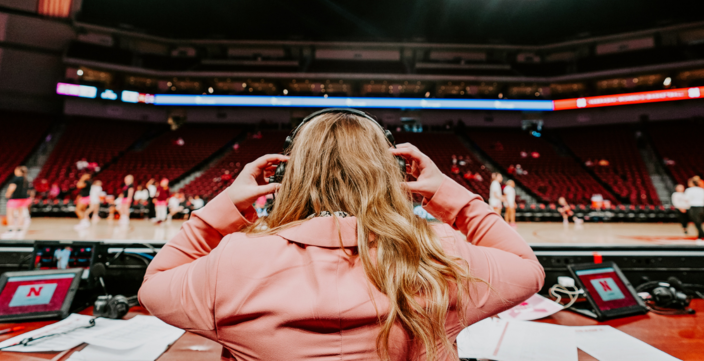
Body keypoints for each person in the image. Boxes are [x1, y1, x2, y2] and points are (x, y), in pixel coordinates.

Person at [139, 111, 544, 361]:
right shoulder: (440, 254)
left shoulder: (232, 260)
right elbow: (528, 269)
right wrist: (449, 196)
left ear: (285, 177)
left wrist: (220, 211)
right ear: (390, 175)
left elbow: (153, 288)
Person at [1, 166, 31, 239]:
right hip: (24, 199)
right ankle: (19, 230)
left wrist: (8, 193)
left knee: (10, 214)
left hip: (15, 199)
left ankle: (10, 230)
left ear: (19, 171)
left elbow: (12, 187)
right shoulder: (26, 179)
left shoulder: (16, 178)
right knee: (20, 215)